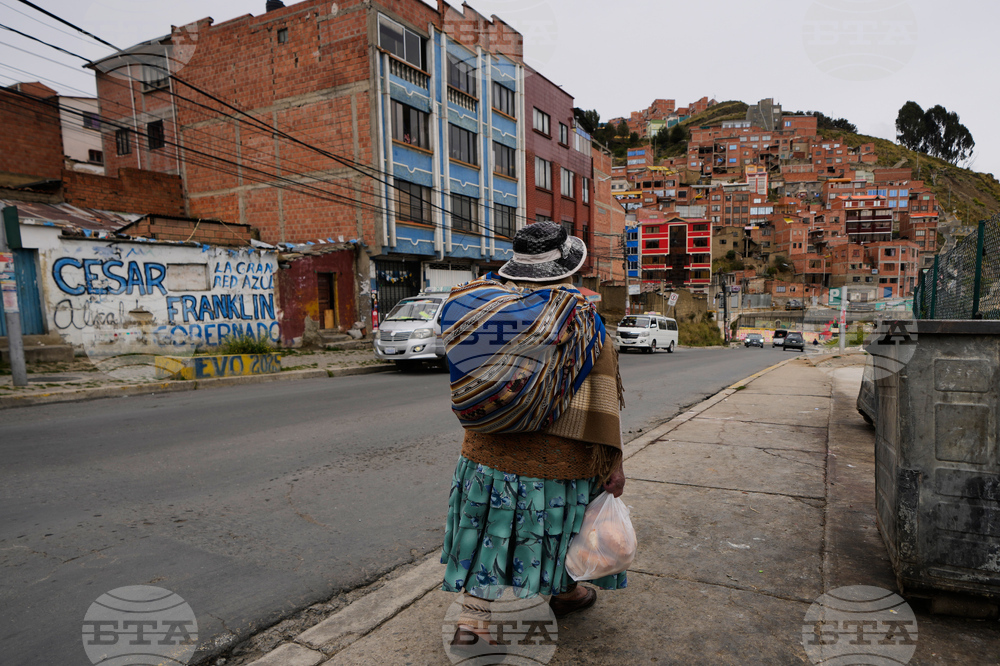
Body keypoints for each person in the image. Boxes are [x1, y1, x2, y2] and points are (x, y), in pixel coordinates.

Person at [438, 221, 627, 648]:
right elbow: (602, 400)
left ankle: (474, 616)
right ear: (567, 270)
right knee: (559, 530)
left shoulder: (478, 310)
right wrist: (614, 462)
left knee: (486, 528)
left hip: (487, 452)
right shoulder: (580, 320)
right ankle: (566, 590)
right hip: (555, 461)